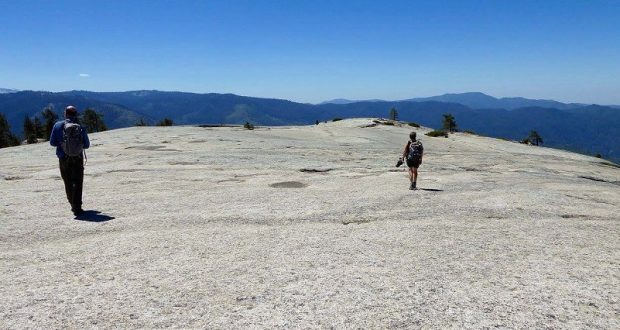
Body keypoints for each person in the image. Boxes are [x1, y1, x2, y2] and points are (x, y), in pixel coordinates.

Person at [50, 106, 90, 216]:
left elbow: (52, 143)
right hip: (77, 158)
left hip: (63, 158)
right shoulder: (80, 127)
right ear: (75, 114)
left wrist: (62, 145)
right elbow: (86, 145)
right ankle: (77, 206)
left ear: (65, 114)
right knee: (78, 182)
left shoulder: (57, 125)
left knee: (67, 181)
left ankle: (72, 204)